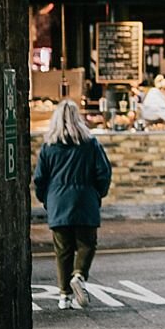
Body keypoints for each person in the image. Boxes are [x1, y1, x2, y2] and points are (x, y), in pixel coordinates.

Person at [33, 99, 113, 310]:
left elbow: (40, 178)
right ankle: (79, 275)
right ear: (78, 119)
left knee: (63, 250)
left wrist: (46, 199)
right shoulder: (91, 144)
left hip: (58, 202)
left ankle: (64, 296)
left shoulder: (48, 147)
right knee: (87, 244)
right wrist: (98, 194)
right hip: (85, 199)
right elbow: (103, 173)